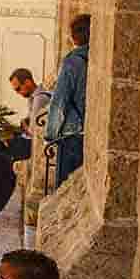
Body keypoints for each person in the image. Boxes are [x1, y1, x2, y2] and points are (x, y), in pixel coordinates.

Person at [46, 14, 90, 187]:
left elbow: (59, 101)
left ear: (74, 36)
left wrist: (51, 134)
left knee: (64, 185)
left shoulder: (72, 62)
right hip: (89, 131)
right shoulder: (95, 58)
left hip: (72, 133)